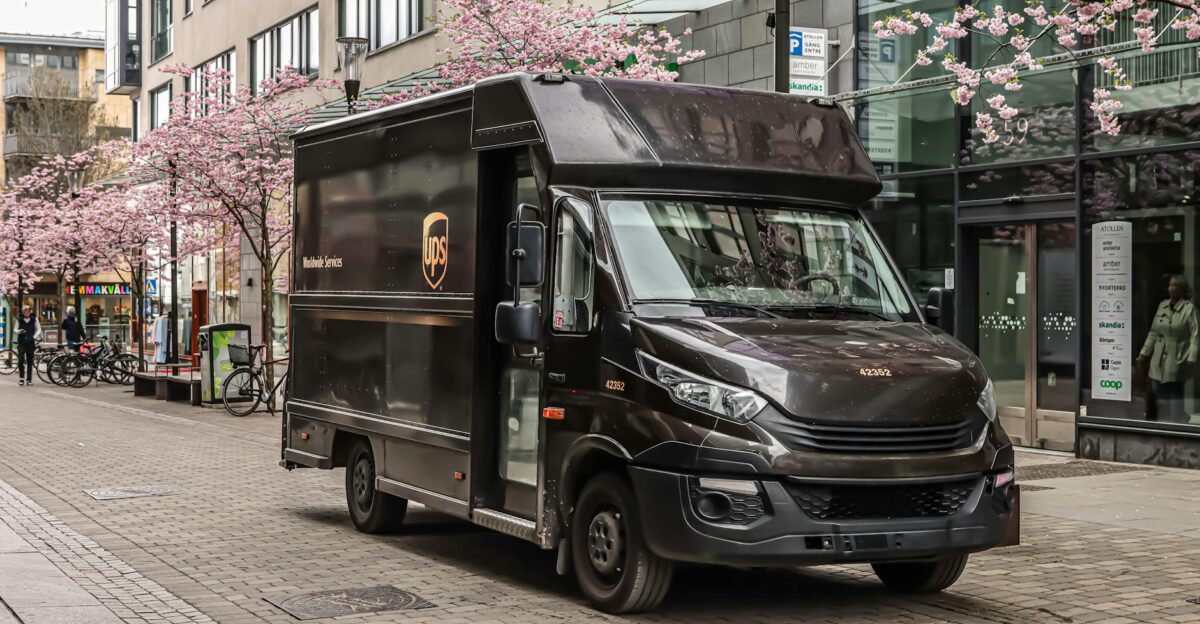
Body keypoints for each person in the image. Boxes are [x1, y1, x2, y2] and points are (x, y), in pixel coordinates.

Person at [1137, 275, 1199, 424]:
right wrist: (1144, 353)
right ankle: (1164, 421)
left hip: (1178, 357)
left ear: (1182, 290)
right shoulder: (1162, 305)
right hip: (1158, 358)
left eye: (1176, 286)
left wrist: (1191, 358)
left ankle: (1176, 422)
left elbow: (1195, 334)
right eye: (1170, 285)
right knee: (1157, 390)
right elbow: (1153, 332)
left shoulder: (1189, 309)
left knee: (1174, 394)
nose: (1172, 288)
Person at [15, 305, 41, 386]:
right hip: (21, 342)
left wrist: (34, 337)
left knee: (30, 362)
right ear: (23, 312)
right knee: (21, 361)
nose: (26, 312)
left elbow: (38, 329)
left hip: (30, 343)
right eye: (25, 311)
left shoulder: (34, 319)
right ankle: (21, 378)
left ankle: (29, 380)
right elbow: (15, 329)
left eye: (28, 311)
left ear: (30, 311)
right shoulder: (19, 319)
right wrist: (19, 331)